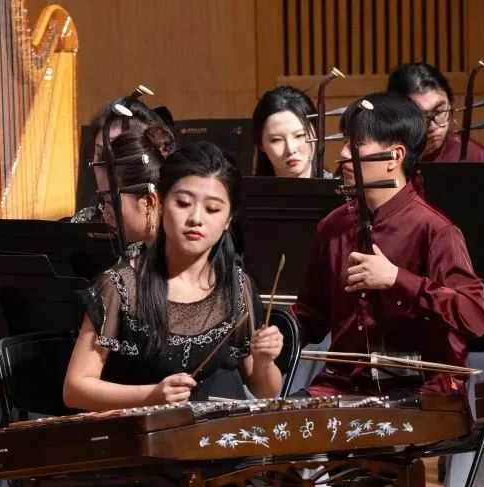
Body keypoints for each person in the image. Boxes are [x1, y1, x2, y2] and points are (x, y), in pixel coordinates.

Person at [292, 91, 484, 397]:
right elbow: (311, 316)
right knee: (282, 423)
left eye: (356, 144)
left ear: (395, 157)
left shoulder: (435, 230)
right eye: (345, 141)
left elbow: (474, 317)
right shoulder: (332, 226)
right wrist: (278, 334)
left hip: (422, 388)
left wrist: (397, 279)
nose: (343, 154)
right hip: (345, 386)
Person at [64, 142, 283, 409]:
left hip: (205, 430)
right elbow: (75, 389)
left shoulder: (236, 286)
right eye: (183, 203)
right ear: (159, 202)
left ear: (227, 220)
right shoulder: (120, 286)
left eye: (213, 209)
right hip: (137, 430)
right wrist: (151, 396)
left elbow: (265, 392)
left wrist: (264, 361)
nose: (196, 218)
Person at [72, 97, 173, 223]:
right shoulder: (83, 222)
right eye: (100, 154)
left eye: (117, 155)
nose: (105, 165)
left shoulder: (170, 226)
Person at [387, 62, 484, 163]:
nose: (433, 127)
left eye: (439, 111)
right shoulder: (383, 155)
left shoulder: (475, 155)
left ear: (451, 104)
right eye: (421, 116)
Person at [251, 85, 333, 178]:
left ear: (317, 132)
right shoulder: (247, 187)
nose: (290, 149)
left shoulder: (337, 187)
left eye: (300, 135)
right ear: (261, 144)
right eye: (276, 140)